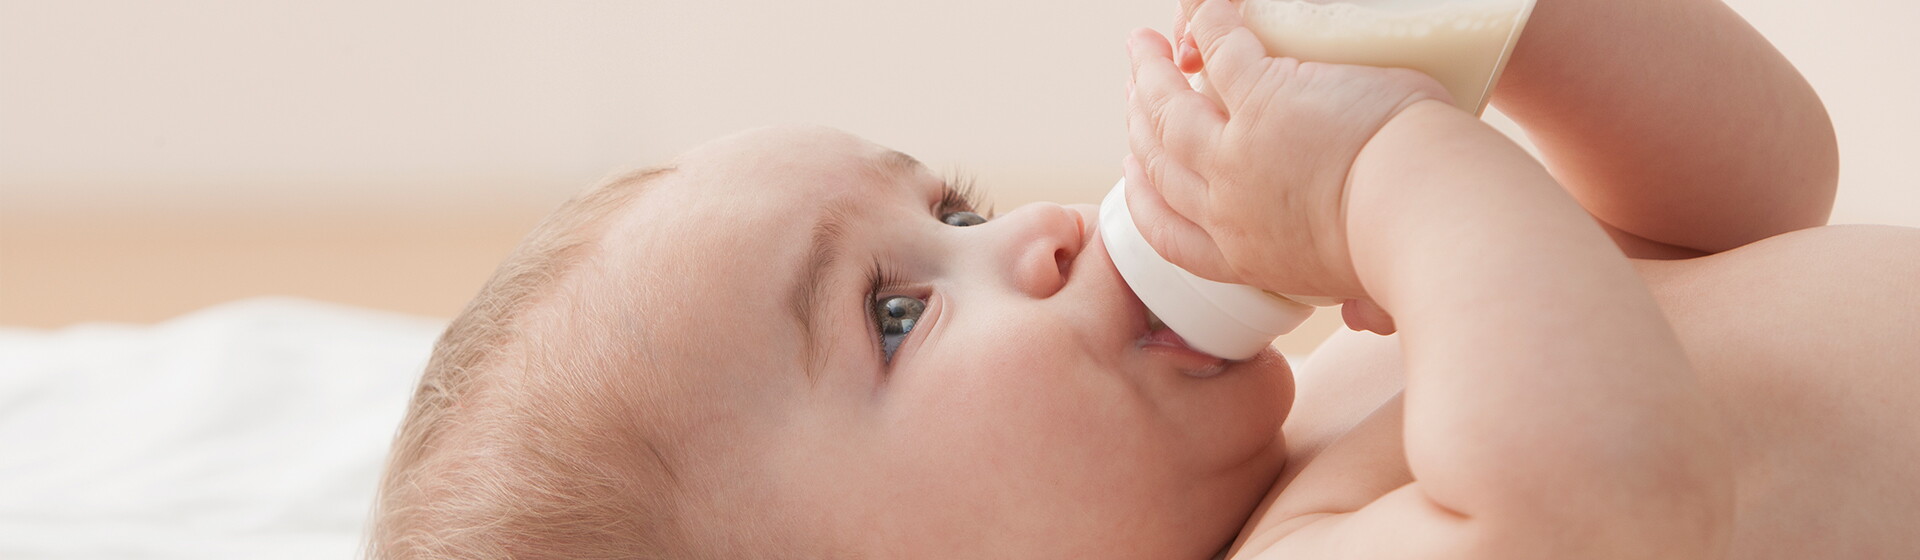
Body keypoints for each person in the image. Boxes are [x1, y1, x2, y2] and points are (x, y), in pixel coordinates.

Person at [368, 0, 1919, 558]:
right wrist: (1389, 177)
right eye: (895, 313)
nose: (1030, 230)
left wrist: (1515, 29)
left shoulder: (1350, 395)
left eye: (950, 207)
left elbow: (1763, 191)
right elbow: (1626, 495)